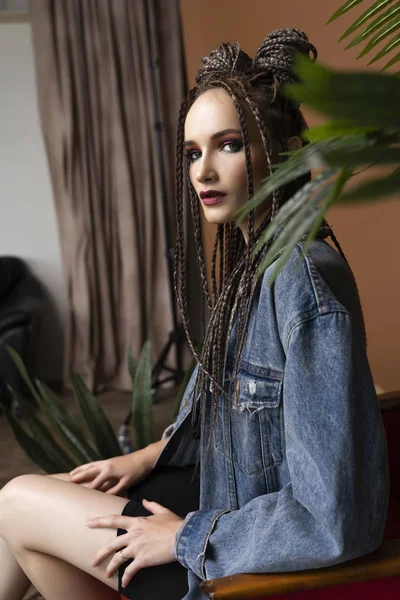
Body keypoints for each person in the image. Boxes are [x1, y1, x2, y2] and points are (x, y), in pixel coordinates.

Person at [0, 27, 389, 600]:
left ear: (277, 153)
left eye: (228, 145)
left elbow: (333, 517)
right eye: (192, 152)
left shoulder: (301, 280)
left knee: (18, 504)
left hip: (244, 555)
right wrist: (148, 455)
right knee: (26, 514)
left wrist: (184, 537)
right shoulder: (255, 261)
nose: (202, 171)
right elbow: (250, 420)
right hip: (223, 492)